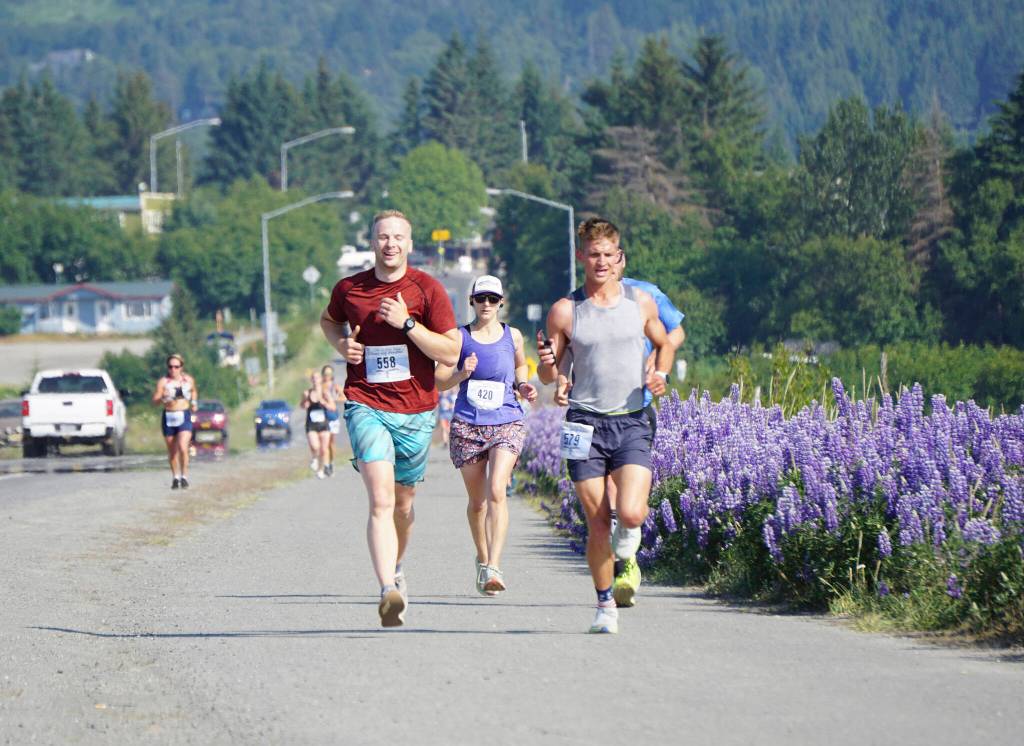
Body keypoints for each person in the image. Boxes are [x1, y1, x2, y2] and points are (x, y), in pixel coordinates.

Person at [320, 209, 460, 628]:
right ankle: (387, 590)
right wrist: (343, 346)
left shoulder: (427, 289)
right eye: (383, 237)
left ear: (410, 244)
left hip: (416, 411)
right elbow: (328, 321)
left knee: (403, 504)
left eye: (398, 237)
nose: (390, 244)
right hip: (365, 403)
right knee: (380, 499)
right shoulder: (350, 289)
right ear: (373, 241)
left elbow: (449, 352)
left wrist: (408, 323)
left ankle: (396, 566)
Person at [538, 217, 674, 634]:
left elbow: (664, 342)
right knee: (597, 520)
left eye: (608, 255)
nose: (601, 262)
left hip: (631, 420)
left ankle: (628, 544)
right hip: (583, 423)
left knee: (631, 511)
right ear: (582, 256)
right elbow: (552, 373)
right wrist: (554, 377)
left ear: (620, 258)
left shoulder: (641, 303)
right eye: (593, 255)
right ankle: (604, 604)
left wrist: (661, 374)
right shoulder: (565, 311)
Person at [435, 275, 538, 596]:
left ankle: (494, 565)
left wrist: (523, 385)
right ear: (472, 302)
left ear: (501, 302)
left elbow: (521, 367)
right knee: (478, 503)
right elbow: (439, 381)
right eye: (482, 299)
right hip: (468, 425)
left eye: (493, 300)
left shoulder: (514, 336)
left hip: (507, 421)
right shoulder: (458, 337)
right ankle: (482, 557)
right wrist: (462, 373)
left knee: (498, 490)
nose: (487, 305)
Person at [151, 353, 198, 490]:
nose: (173, 370)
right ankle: (175, 477)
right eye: (170, 367)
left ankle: (184, 477)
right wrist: (162, 398)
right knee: (172, 451)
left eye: (176, 367)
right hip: (169, 416)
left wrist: (194, 402)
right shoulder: (163, 382)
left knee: (183, 447)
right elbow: (154, 401)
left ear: (181, 367)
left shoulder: (188, 380)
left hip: (184, 415)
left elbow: (194, 391)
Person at [301, 371, 336, 479]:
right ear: (311, 380)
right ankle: (315, 458)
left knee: (324, 449)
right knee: (315, 446)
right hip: (311, 424)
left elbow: (333, 407)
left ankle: (321, 469)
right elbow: (302, 406)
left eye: (317, 377)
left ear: (321, 379)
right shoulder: (307, 393)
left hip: (324, 423)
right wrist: (305, 402)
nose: (315, 380)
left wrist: (324, 402)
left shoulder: (325, 393)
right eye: (313, 378)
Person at [321, 364, 346, 476]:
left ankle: (331, 462)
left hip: (332, 417)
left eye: (329, 374)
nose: (327, 376)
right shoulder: (320, 387)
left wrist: (334, 399)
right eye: (326, 374)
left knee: (331, 443)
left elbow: (344, 397)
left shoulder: (335, 387)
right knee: (323, 443)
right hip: (321, 417)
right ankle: (325, 465)